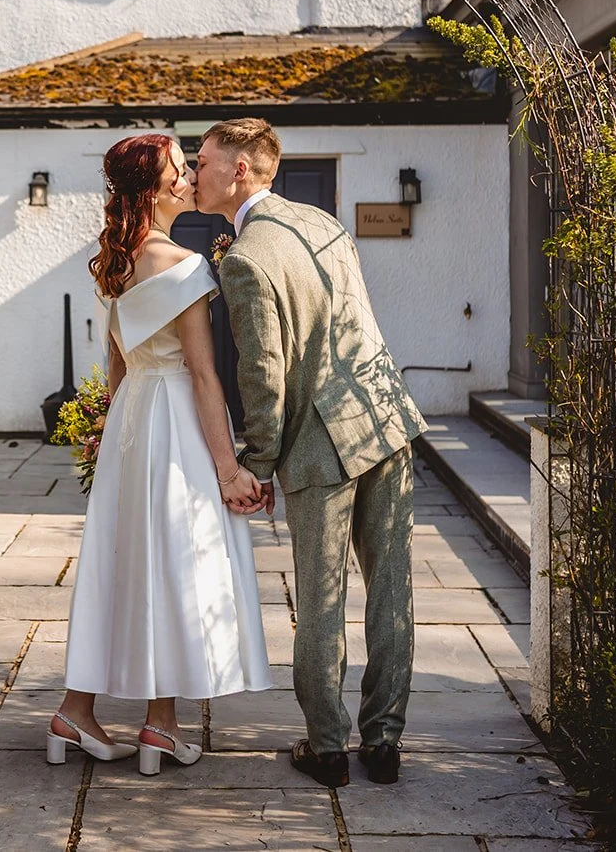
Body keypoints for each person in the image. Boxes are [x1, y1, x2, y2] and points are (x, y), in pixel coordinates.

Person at [192, 117, 426, 789]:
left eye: (203, 158)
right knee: (391, 589)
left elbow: (261, 374)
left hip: (319, 445)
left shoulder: (244, 256)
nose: (195, 168)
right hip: (384, 419)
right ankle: (383, 741)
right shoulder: (323, 222)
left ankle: (326, 747)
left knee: (321, 599)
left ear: (239, 168)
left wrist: (255, 463)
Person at [51, 133, 272, 777]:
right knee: (174, 560)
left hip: (132, 420)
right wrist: (228, 468)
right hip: (175, 419)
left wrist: (108, 429)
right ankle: (159, 726)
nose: (186, 180)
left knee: (122, 561)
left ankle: (77, 710)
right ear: (153, 186)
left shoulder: (113, 260)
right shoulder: (183, 264)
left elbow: (117, 362)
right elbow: (204, 377)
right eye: (178, 170)